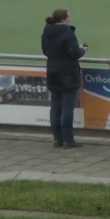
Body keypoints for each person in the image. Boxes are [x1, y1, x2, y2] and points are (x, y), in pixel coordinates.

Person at [41, 9, 87, 149]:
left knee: (55, 108)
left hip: (52, 72)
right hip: (67, 74)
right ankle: (68, 140)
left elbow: (45, 51)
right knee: (67, 109)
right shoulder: (68, 33)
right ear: (65, 18)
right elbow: (74, 54)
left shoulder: (47, 32)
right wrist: (83, 50)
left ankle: (57, 139)